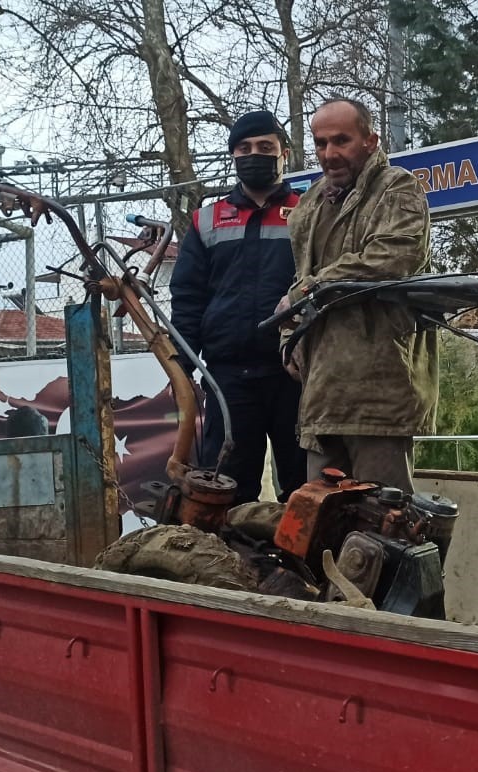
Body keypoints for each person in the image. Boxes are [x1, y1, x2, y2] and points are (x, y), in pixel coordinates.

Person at [280, 97, 436, 492]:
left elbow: (390, 259)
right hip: (321, 395)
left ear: (371, 140)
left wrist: (307, 290)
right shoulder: (309, 204)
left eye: (341, 140)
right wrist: (289, 337)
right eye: (320, 143)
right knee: (320, 524)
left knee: (386, 524)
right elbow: (299, 281)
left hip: (379, 390)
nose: (329, 153)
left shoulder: (398, 187)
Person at [170, 110, 307, 504]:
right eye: (244, 148)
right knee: (226, 488)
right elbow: (188, 295)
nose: (254, 155)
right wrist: (183, 360)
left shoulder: (309, 214)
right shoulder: (206, 219)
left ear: (284, 153)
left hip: (294, 374)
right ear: (233, 155)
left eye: (265, 147)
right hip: (229, 379)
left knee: (303, 489)